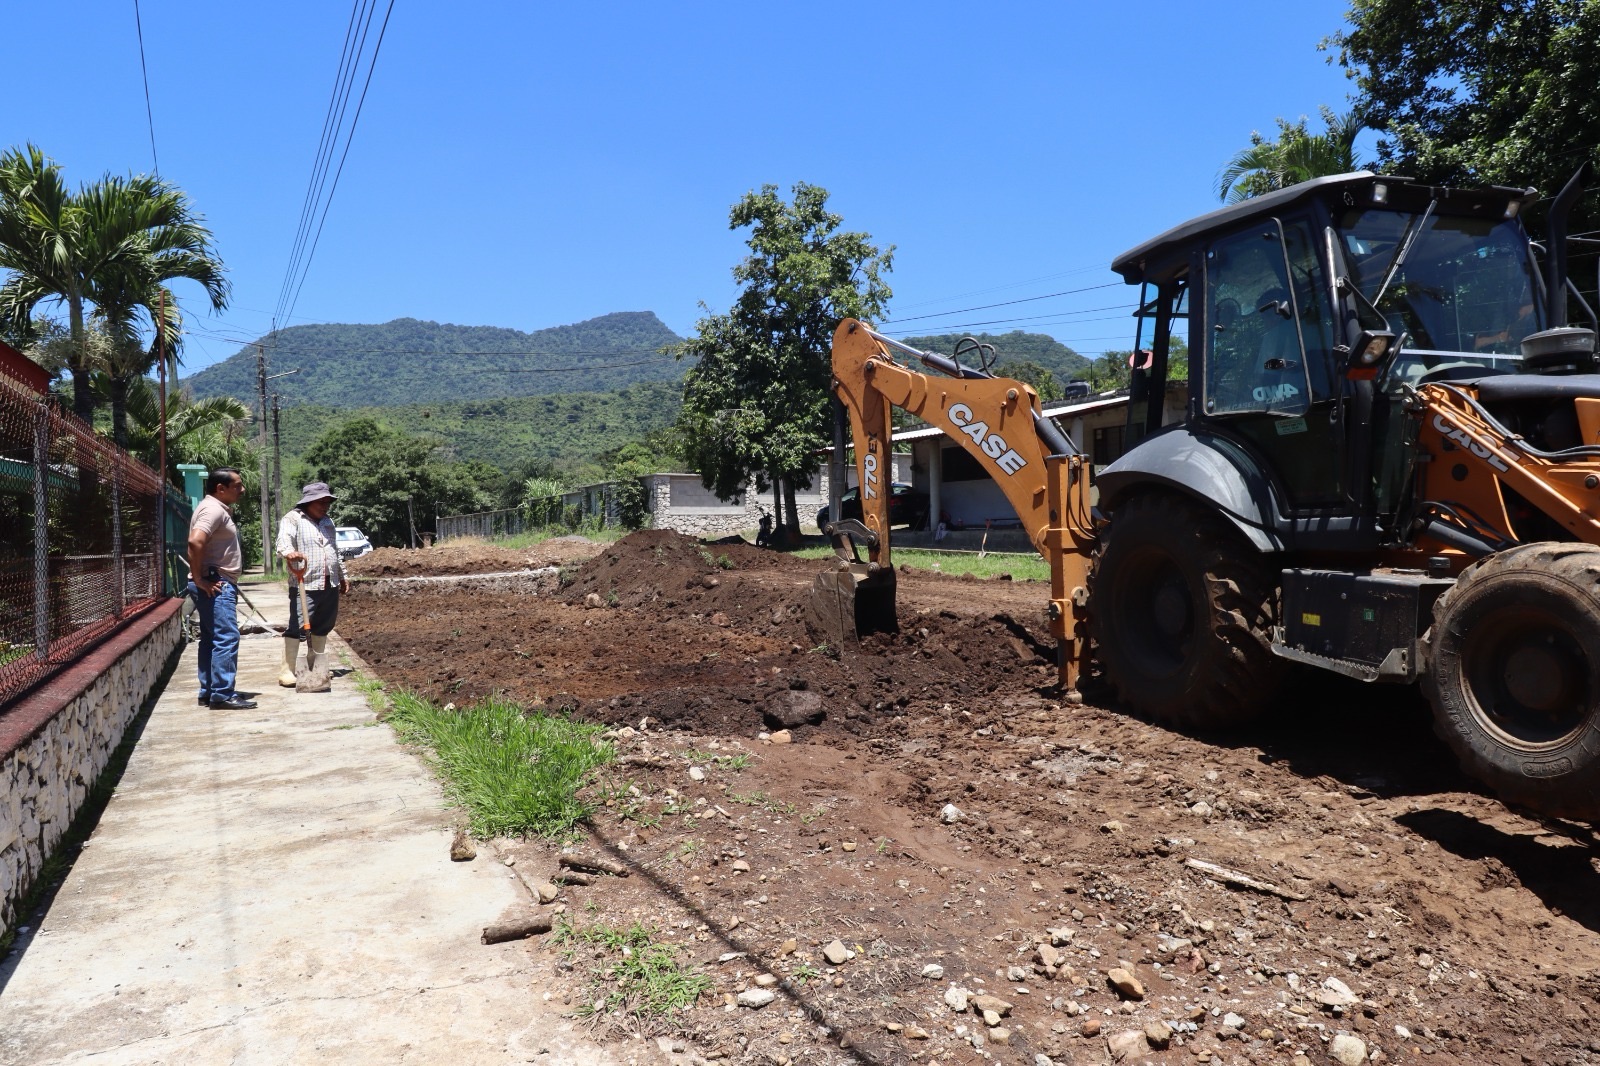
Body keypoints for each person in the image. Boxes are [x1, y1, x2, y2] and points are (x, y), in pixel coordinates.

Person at [187, 467, 256, 710]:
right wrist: (199, 579)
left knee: (211, 637)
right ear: (221, 488)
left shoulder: (214, 508)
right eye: (237, 485)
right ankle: (223, 694)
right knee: (227, 636)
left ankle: (209, 690)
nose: (242, 489)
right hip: (216, 583)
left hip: (214, 581)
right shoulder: (213, 510)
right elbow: (195, 541)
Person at [275, 481, 347, 687]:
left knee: (324, 624)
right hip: (305, 582)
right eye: (321, 502)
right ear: (309, 502)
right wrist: (290, 553)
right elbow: (283, 541)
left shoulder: (327, 521)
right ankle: (287, 670)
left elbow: (335, 550)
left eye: (327, 502)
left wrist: (342, 575)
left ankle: (315, 665)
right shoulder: (293, 518)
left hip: (329, 581)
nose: (325, 506)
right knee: (297, 625)